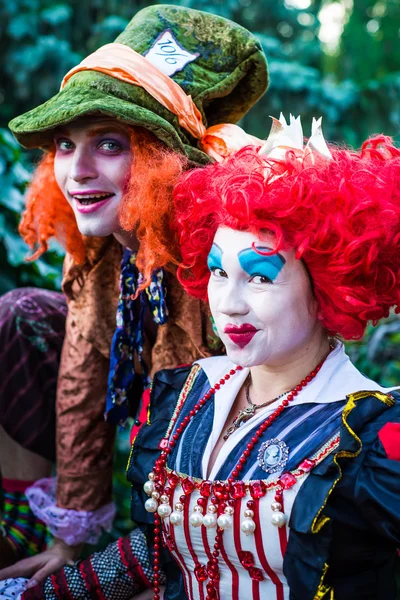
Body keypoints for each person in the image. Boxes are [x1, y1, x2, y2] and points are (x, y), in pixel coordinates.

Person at [7, 116, 400, 600]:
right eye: (217, 271)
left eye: (259, 276)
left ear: (328, 285)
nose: (228, 303)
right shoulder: (187, 390)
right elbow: (160, 550)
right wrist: (46, 593)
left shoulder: (374, 432)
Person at [0, 2, 268, 586]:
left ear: (159, 161)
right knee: (20, 315)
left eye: (109, 144)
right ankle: (26, 518)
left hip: (240, 486)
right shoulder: (98, 249)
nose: (77, 171)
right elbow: (79, 378)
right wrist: (69, 539)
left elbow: (235, 423)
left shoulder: (220, 254)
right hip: (149, 435)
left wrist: (126, 566)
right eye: (65, 146)